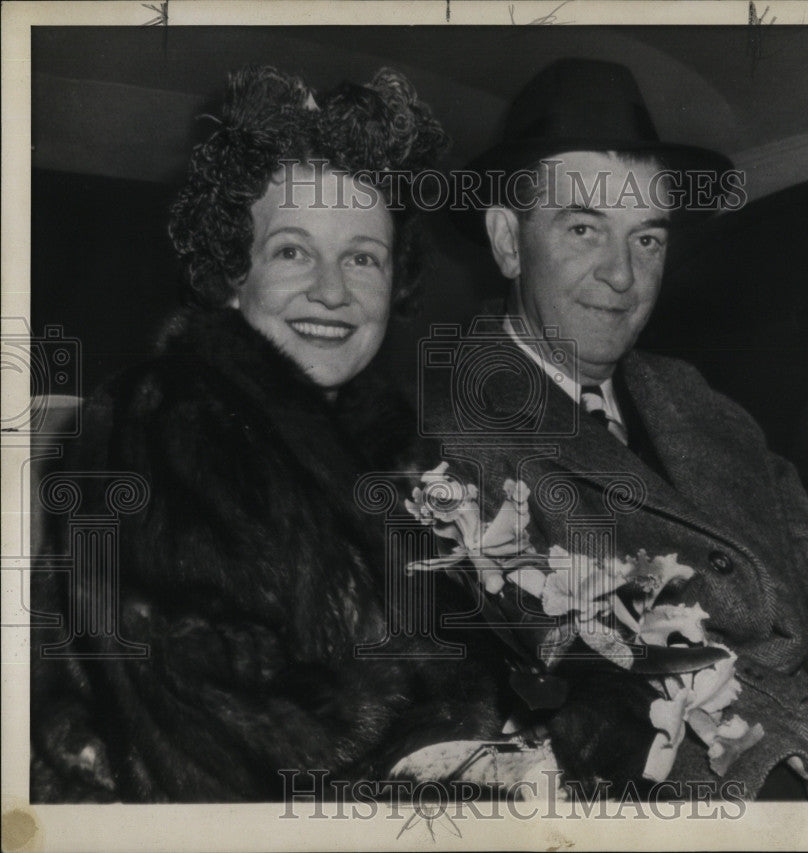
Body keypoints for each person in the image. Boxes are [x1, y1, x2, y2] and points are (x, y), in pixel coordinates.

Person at [420, 58, 808, 800]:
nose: (622, 275)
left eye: (647, 238)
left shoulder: (692, 395)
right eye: (585, 228)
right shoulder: (448, 443)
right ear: (506, 240)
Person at [30, 65, 509, 802]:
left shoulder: (390, 450)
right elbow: (210, 747)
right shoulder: (162, 423)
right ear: (229, 272)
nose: (331, 289)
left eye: (362, 257)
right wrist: (465, 736)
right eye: (292, 250)